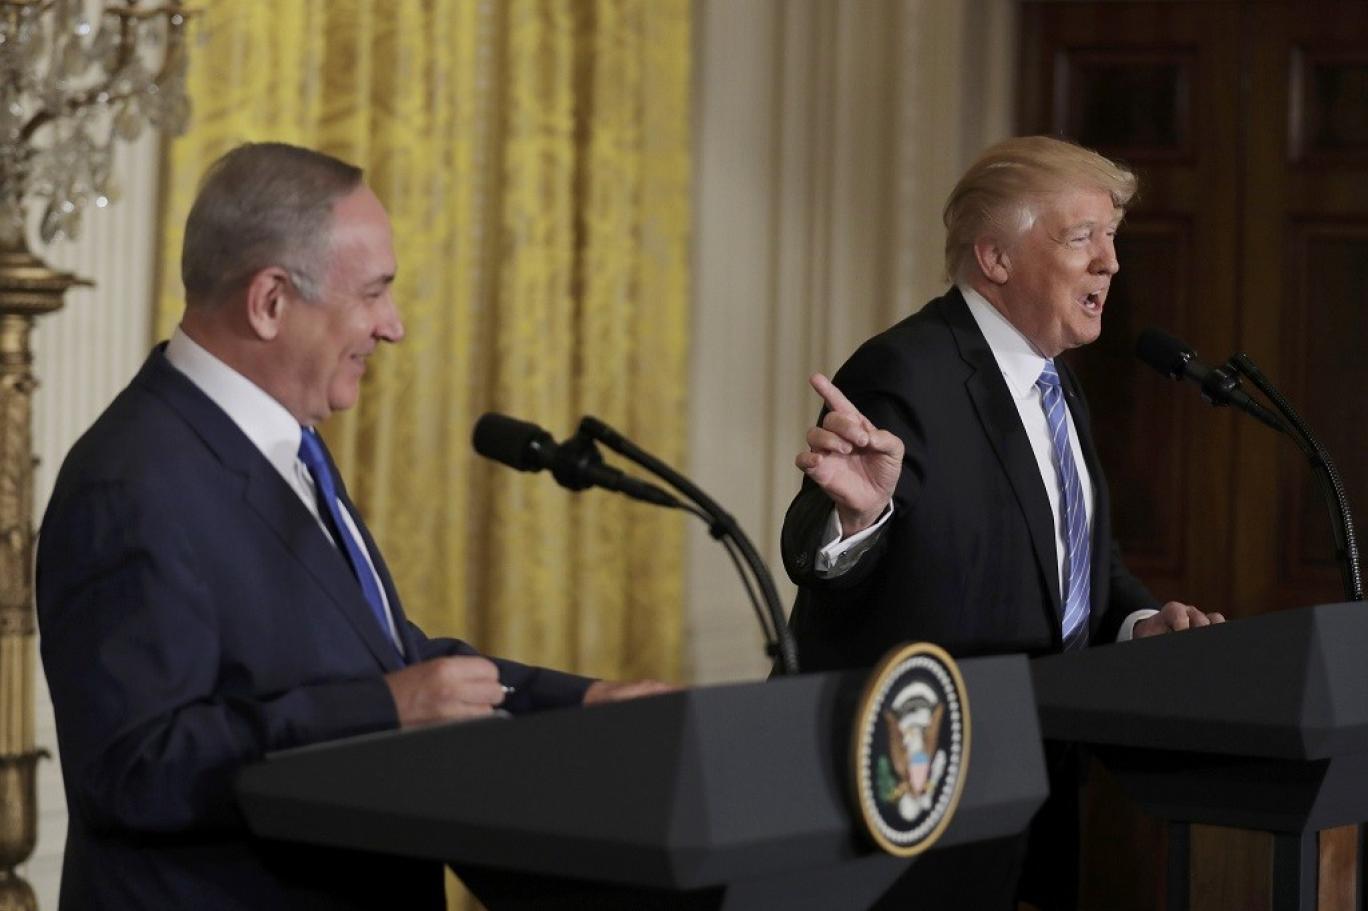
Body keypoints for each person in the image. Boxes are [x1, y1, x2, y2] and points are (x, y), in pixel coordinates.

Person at [36, 142, 667, 911]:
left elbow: (387, 659)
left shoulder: (283, 442)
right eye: (373, 293)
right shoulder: (130, 480)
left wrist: (582, 705)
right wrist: (385, 708)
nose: (392, 327)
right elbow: (135, 768)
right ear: (270, 301)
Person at [781, 135, 1225, 910]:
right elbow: (817, 554)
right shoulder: (906, 369)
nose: (1110, 262)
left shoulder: (1055, 386)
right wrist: (860, 518)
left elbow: (1076, 563)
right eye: (1082, 237)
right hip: (910, 800)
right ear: (995, 258)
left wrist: (1139, 623)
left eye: (1111, 237)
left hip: (1033, 781)